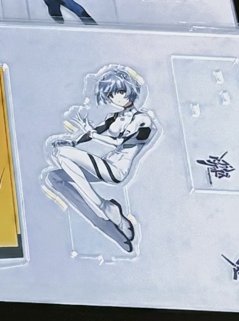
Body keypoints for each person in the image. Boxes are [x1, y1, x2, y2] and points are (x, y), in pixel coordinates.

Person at [44, 65, 156, 253]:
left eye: (119, 91)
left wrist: (92, 135)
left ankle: (103, 205)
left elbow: (119, 142)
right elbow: (92, 133)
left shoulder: (143, 120)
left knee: (61, 153)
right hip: (105, 165)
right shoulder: (114, 117)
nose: (116, 97)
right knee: (54, 177)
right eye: (111, 94)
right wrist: (73, 142)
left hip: (117, 170)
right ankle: (97, 211)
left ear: (129, 89)